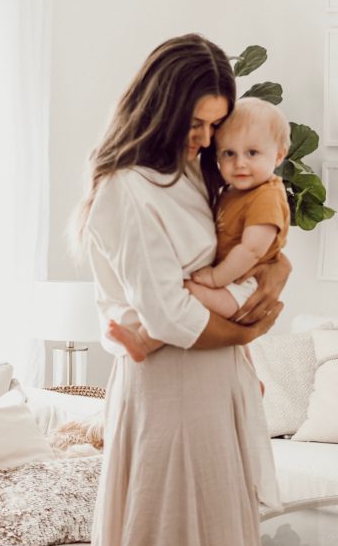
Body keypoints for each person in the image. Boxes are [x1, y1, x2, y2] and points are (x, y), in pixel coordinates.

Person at [76, 33, 290, 546]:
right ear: (158, 110)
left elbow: (240, 250)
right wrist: (255, 326)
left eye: (212, 126)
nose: (204, 140)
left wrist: (274, 271)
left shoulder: (194, 173)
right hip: (169, 394)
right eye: (194, 125)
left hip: (212, 381)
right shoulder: (122, 190)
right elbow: (168, 315)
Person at [108, 97, 290, 364]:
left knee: (191, 294)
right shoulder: (233, 190)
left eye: (252, 153)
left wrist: (216, 278)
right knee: (199, 305)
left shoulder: (266, 195)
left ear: (278, 155)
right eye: (229, 153)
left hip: (243, 285)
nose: (239, 163)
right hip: (234, 279)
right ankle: (250, 372)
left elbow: (253, 249)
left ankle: (144, 341)